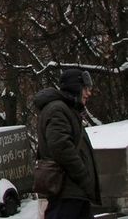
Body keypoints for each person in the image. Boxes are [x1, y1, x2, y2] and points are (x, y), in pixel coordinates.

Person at [32, 68, 101, 219]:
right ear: (75, 87)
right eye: (85, 88)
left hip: (73, 192)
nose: (88, 93)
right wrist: (83, 175)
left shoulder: (66, 109)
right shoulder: (58, 109)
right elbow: (60, 147)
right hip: (67, 191)